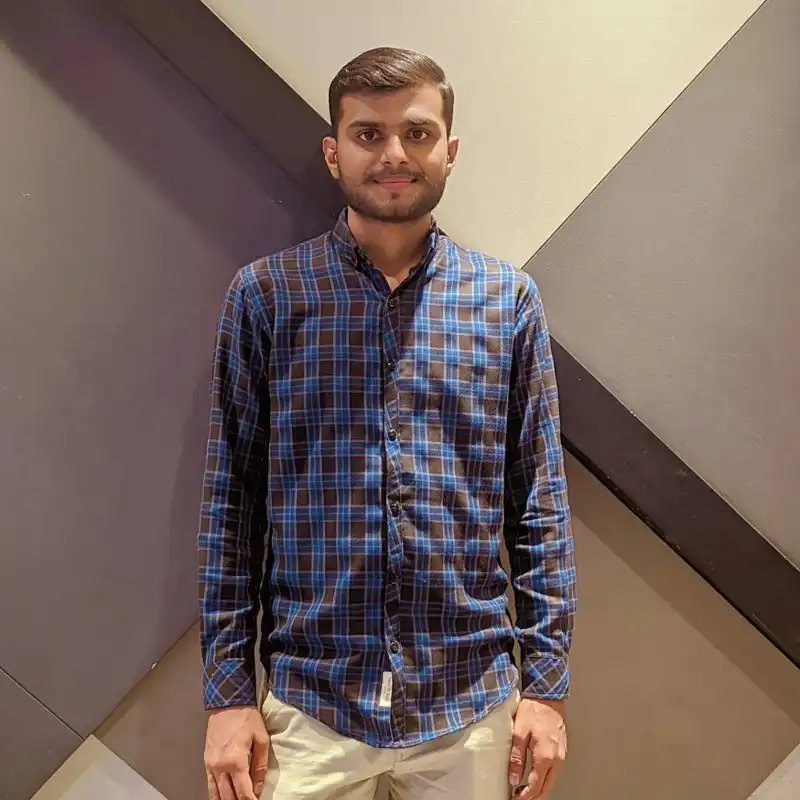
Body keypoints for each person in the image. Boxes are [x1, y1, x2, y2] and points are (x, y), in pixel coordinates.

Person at [199, 46, 577, 800]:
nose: (395, 154)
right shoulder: (267, 297)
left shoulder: (506, 302)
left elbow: (539, 502)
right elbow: (231, 507)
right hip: (308, 705)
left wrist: (547, 686)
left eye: (418, 132)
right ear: (334, 152)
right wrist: (227, 693)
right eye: (369, 134)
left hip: (470, 706)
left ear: (450, 150)